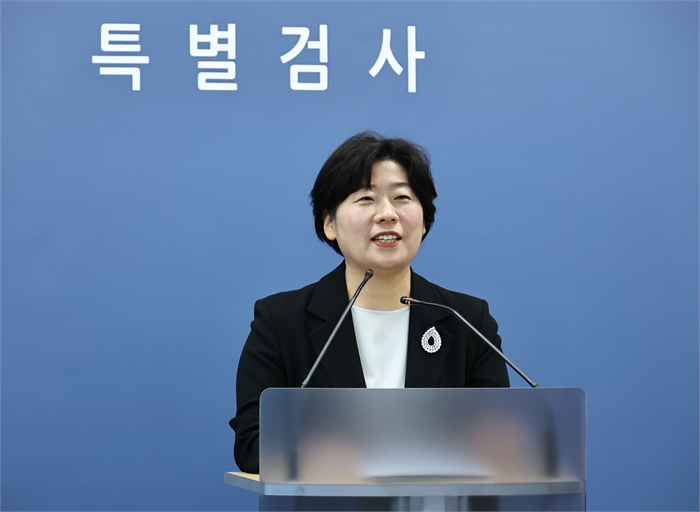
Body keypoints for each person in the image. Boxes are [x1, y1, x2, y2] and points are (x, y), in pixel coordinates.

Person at [229, 132, 509, 474]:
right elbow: (254, 446)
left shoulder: (467, 321)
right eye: (366, 199)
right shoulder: (281, 322)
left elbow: (499, 445)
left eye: (402, 197)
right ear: (329, 223)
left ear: (424, 221)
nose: (387, 214)